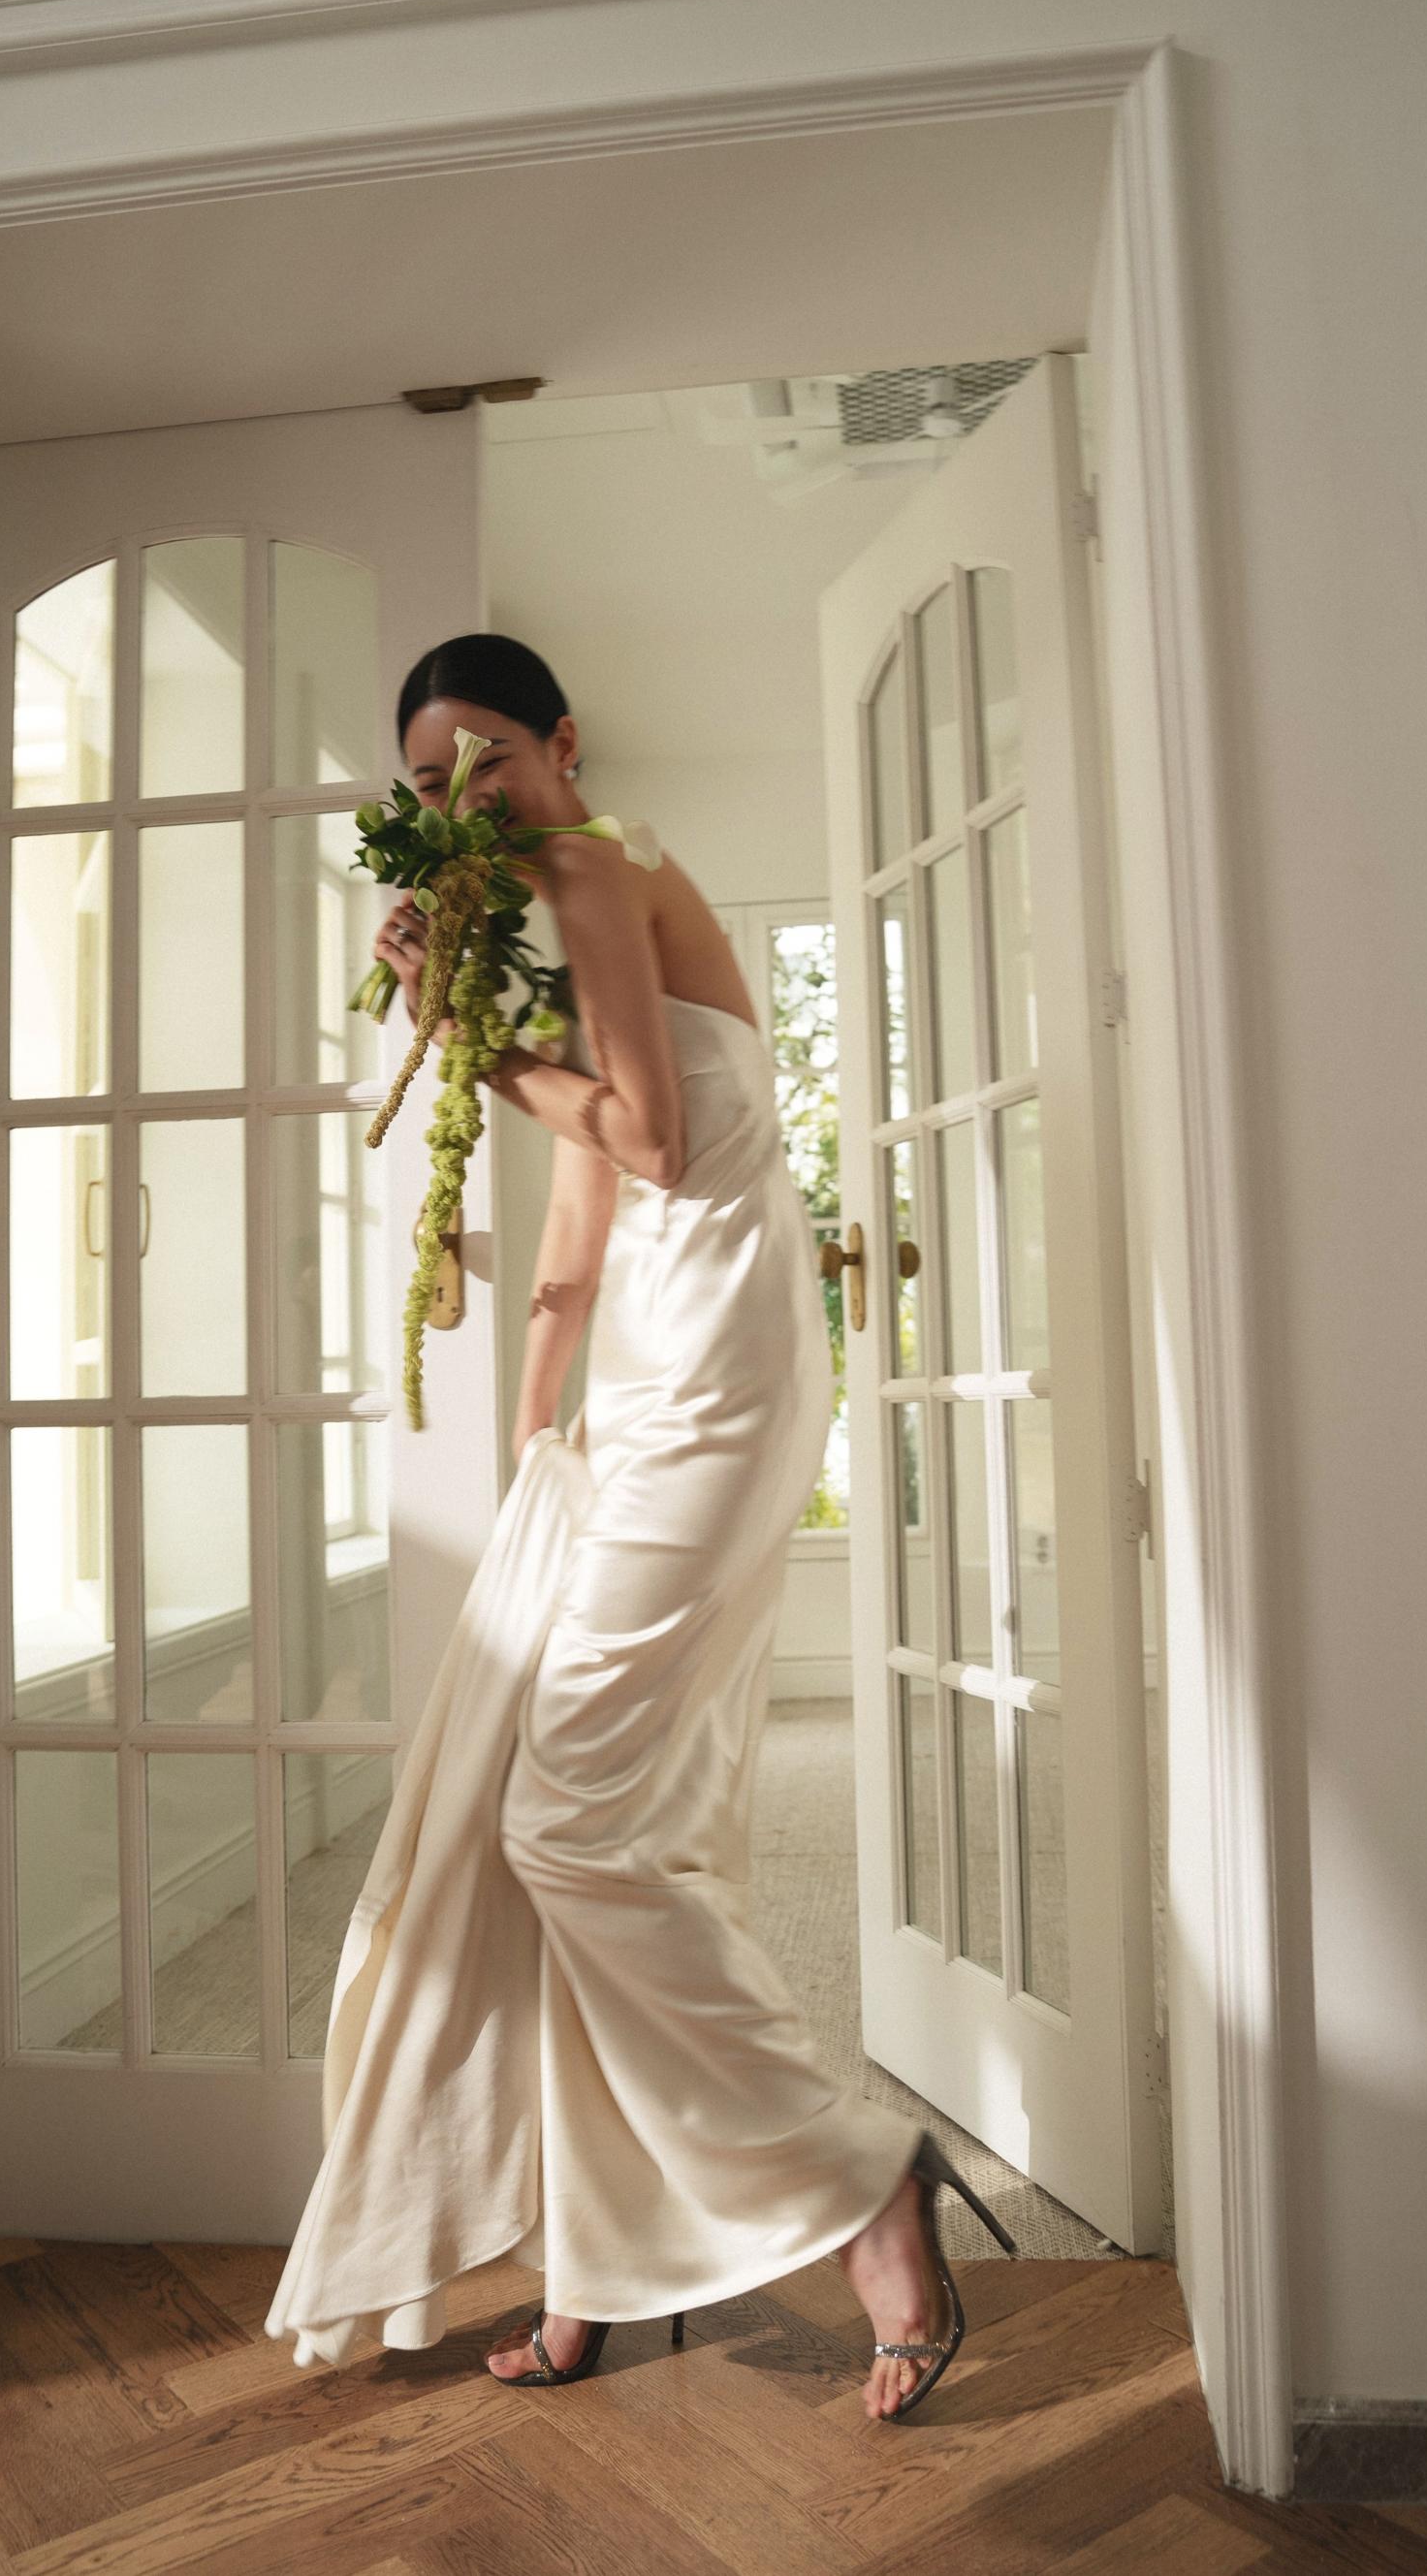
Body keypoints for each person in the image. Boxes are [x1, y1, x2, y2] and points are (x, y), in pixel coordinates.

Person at [263, 632, 1015, 2423]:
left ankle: (858, 2180)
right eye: (432, 780)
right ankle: (603, 2259)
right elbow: (586, 1205)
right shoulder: (551, 914)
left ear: (563, 746)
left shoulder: (601, 865)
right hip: (653, 1379)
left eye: (490, 759)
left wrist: (467, 1038)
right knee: (604, 1822)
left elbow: (661, 1143)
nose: (468, 798)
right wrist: (537, 1426)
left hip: (720, 1378)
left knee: (572, 1818)